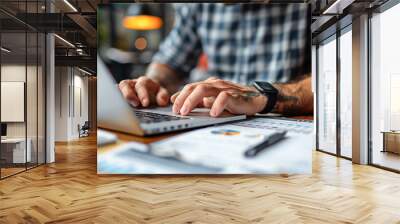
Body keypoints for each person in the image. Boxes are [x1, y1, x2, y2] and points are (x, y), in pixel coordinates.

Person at [118, 3, 313, 117]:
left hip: (283, 120)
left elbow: (334, 77)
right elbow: (170, 62)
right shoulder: (198, 6)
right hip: (213, 119)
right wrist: (154, 83)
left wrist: (263, 96)